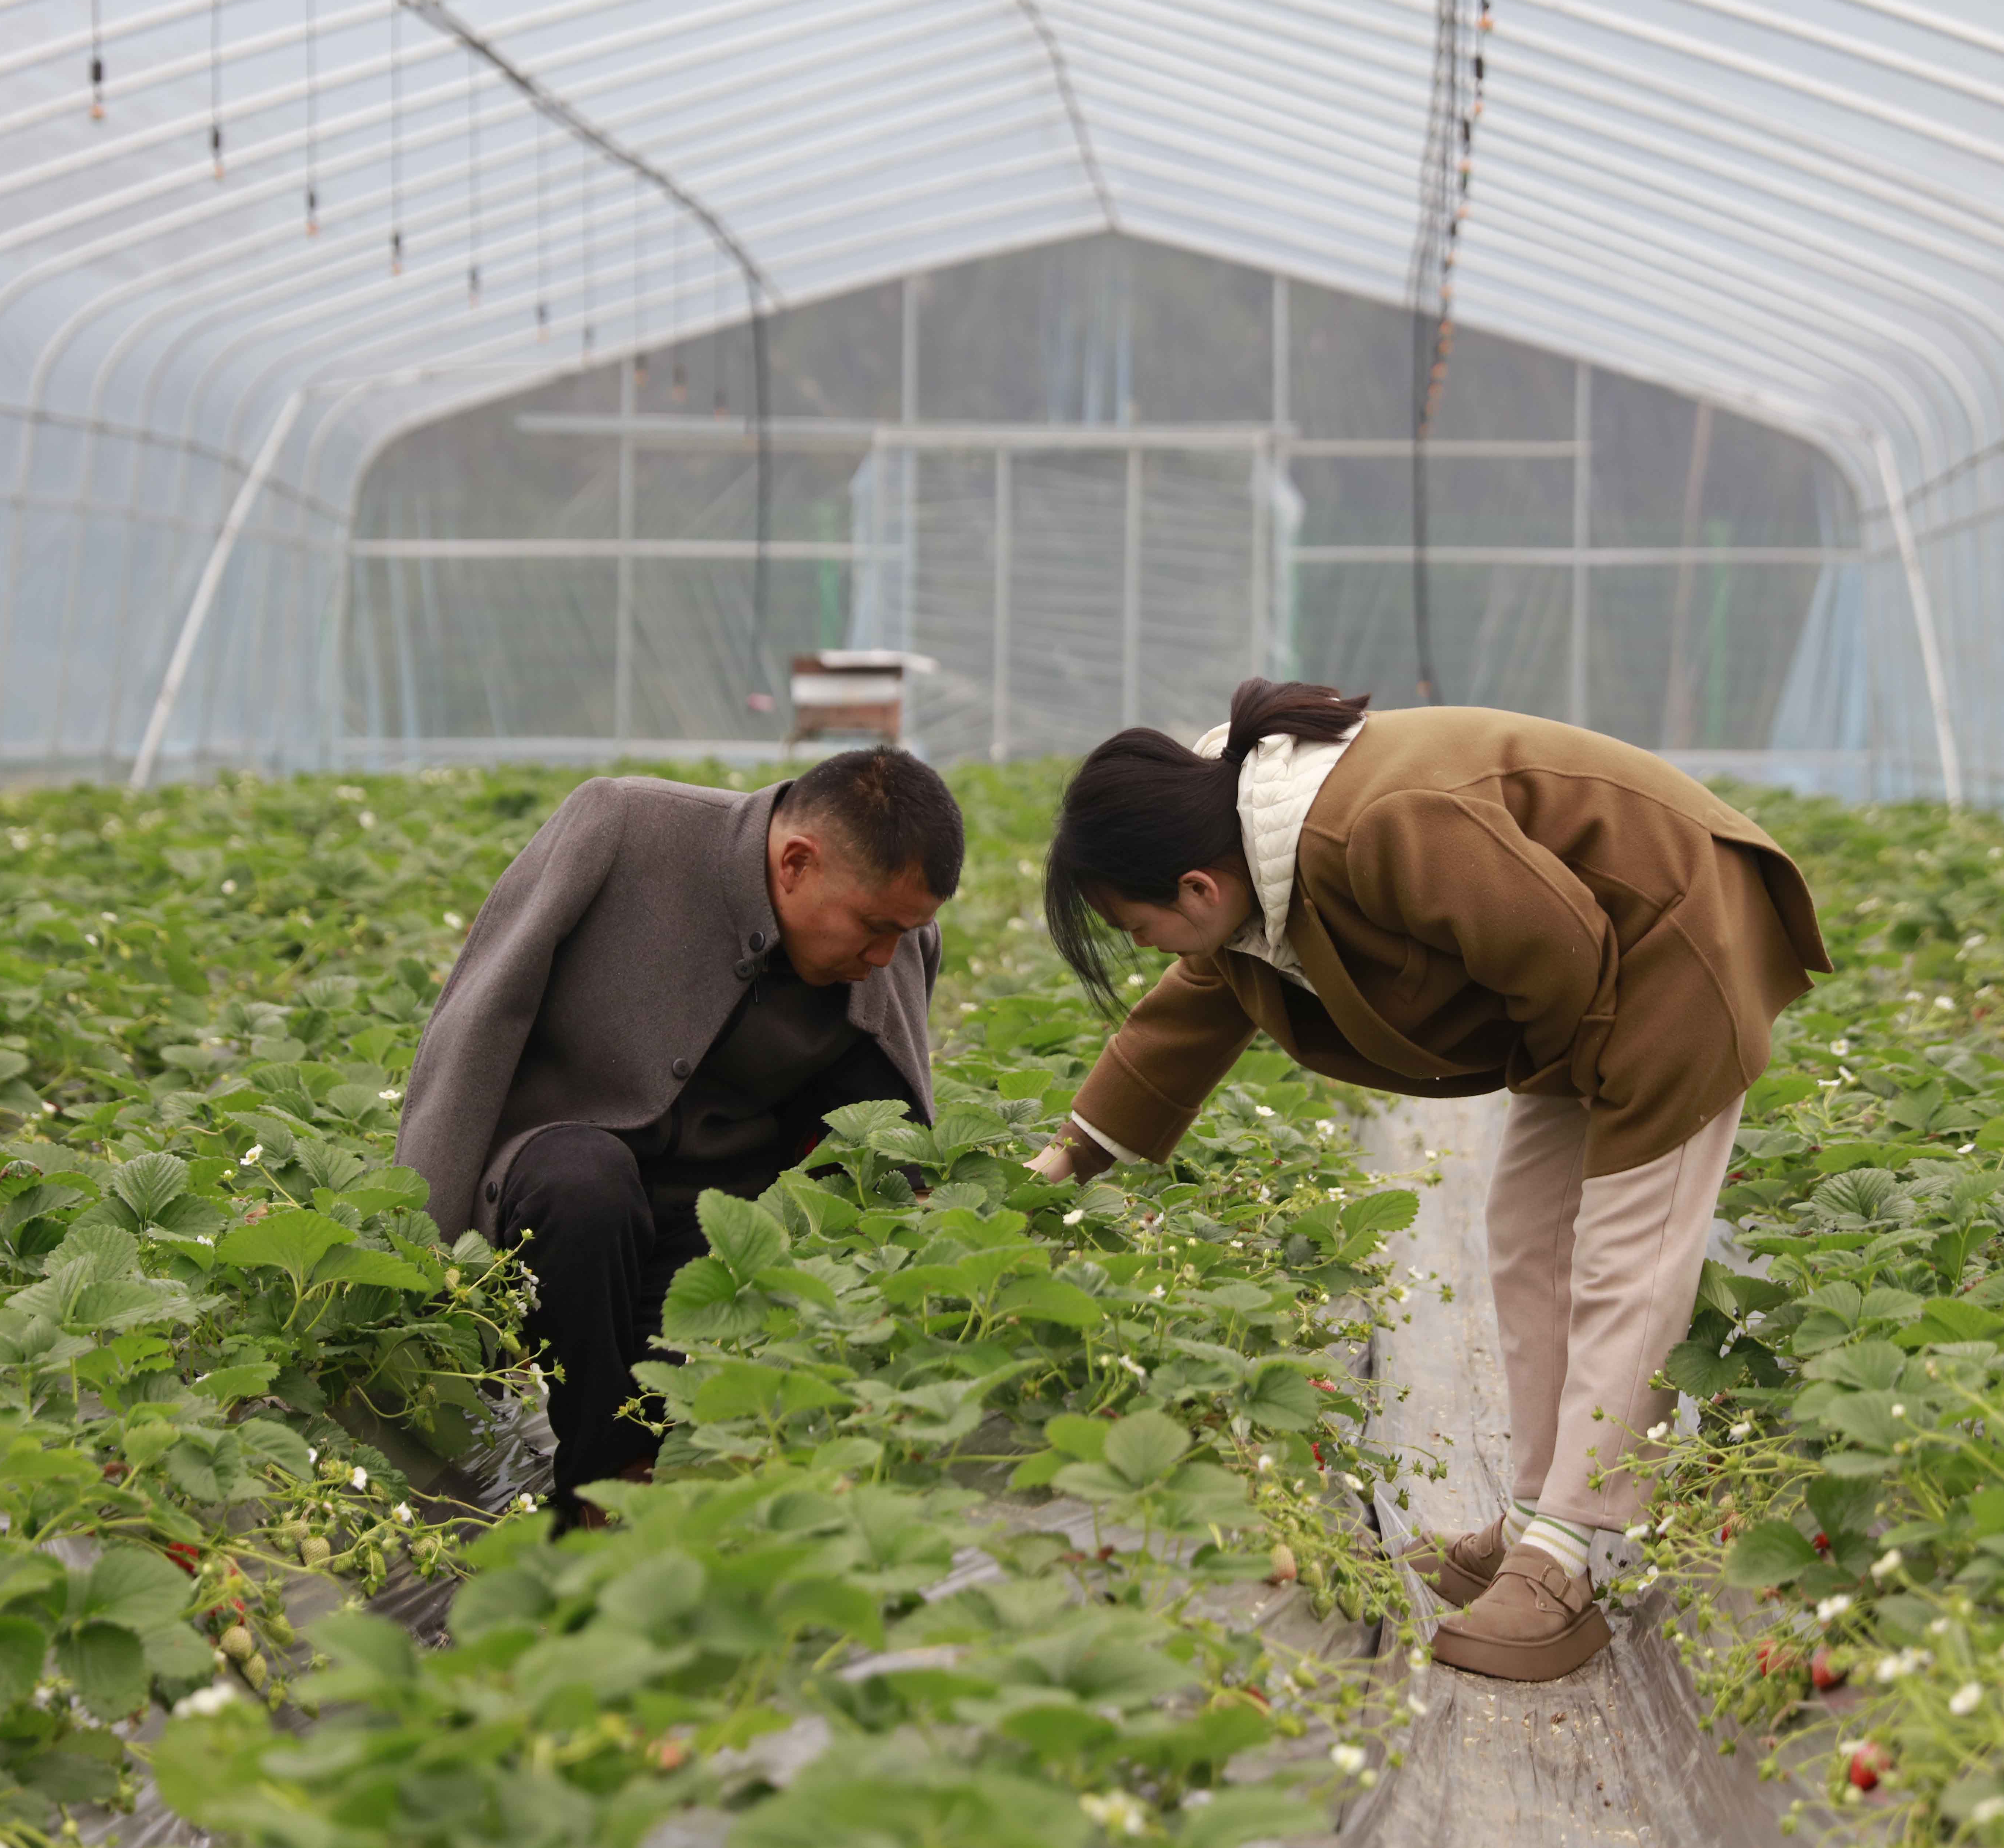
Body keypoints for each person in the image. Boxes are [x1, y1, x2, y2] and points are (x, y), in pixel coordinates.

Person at [1029, 680, 1827, 1680]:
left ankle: (1571, 1557)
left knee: (1627, 1255)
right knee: (1528, 1235)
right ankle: (1539, 1519)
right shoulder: (1252, 863)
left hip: (1670, 942)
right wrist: (1070, 1157)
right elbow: (1194, 1006)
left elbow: (1563, 942)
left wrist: (1603, 1117)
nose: (1144, 948)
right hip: (1587, 980)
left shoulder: (1374, 827)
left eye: (1136, 928)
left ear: (1196, 888)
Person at [398, 749, 960, 1523]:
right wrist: (423, 1270)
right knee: (585, 1185)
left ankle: (637, 1506)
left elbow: (874, 1154)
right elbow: (476, 1027)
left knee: (684, 1371)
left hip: (718, 1218)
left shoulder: (889, 950)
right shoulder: (624, 828)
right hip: (555, 1181)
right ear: (796, 862)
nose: (883, 956)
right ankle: (592, 1497)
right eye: (874, 928)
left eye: (907, 932)